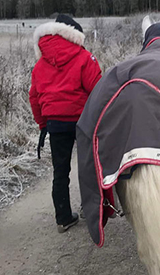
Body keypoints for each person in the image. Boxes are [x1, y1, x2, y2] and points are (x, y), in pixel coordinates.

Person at [29, 14, 102, 233]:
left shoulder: (40, 65)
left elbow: (34, 97)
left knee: (60, 171)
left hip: (56, 124)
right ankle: (91, 210)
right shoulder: (84, 57)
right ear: (74, 35)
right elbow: (98, 91)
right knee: (88, 167)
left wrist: (43, 124)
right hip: (84, 121)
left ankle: (63, 217)